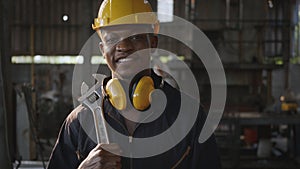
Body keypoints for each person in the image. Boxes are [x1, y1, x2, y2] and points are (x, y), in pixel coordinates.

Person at [47, 0, 221, 168]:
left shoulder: (188, 116)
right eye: (111, 39)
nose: (123, 46)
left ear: (152, 43)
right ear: (102, 50)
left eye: (135, 37)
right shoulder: (79, 121)